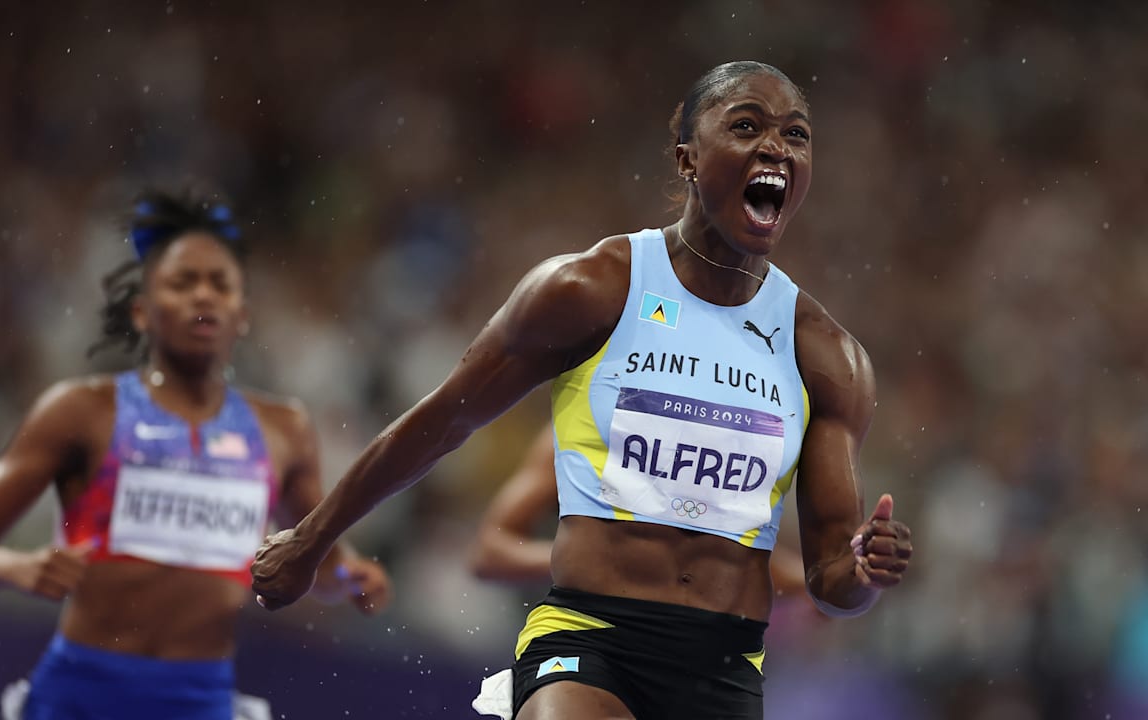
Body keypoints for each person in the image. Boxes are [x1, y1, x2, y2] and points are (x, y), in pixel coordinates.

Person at [252, 60, 913, 720]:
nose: (776, 147)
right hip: (588, 638)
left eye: (796, 136)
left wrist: (864, 572)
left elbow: (832, 584)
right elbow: (441, 421)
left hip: (723, 668)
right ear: (686, 157)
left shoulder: (826, 358)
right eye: (746, 126)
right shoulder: (592, 290)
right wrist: (310, 540)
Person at [0, 188, 391, 720]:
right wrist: (15, 567)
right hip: (78, 697)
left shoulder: (283, 430)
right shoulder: (81, 411)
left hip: (201, 701)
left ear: (241, 314)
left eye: (220, 284)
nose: (203, 297)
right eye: (182, 282)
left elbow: (320, 565)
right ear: (143, 312)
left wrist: (353, 577)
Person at [467, 424, 808, 599]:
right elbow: (489, 553)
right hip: (568, 628)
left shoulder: (701, 449)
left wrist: (816, 583)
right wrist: (590, 555)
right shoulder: (581, 430)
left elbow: (732, 559)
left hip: (686, 654)